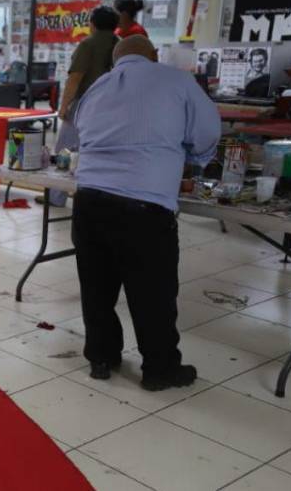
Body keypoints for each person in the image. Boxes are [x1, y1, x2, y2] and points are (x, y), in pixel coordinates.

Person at [72, 35, 221, 391]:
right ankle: (160, 370)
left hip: (89, 201)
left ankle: (101, 357)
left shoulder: (96, 88)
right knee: (152, 293)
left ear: (114, 61)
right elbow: (207, 133)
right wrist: (189, 158)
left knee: (97, 288)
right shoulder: (177, 80)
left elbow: (81, 133)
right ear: (154, 56)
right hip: (144, 206)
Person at [45, 6, 120, 207]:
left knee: (65, 150)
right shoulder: (120, 45)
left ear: (92, 24)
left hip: (85, 103)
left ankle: (56, 197)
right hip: (112, 106)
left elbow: (75, 78)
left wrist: (63, 107)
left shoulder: (88, 44)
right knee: (98, 151)